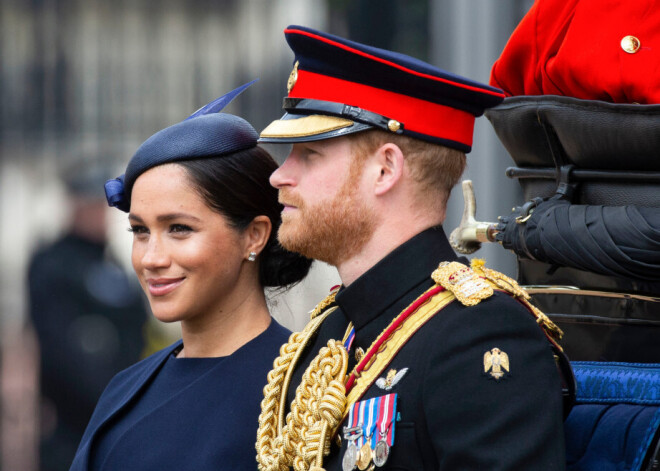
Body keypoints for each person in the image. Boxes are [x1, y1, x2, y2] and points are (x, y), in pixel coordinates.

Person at [255, 26, 568, 471]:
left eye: (308, 154)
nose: (279, 176)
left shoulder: (480, 334)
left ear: (385, 170)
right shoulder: (332, 332)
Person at [69, 82, 312, 470]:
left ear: (255, 235)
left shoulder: (303, 393)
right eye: (140, 231)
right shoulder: (124, 390)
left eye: (179, 228)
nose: (151, 258)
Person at [28, 161, 148, 471]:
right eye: (93, 204)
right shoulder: (51, 264)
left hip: (120, 413)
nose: (101, 214)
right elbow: (59, 348)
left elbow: (136, 325)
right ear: (74, 205)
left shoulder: (113, 263)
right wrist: (108, 398)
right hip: (71, 423)